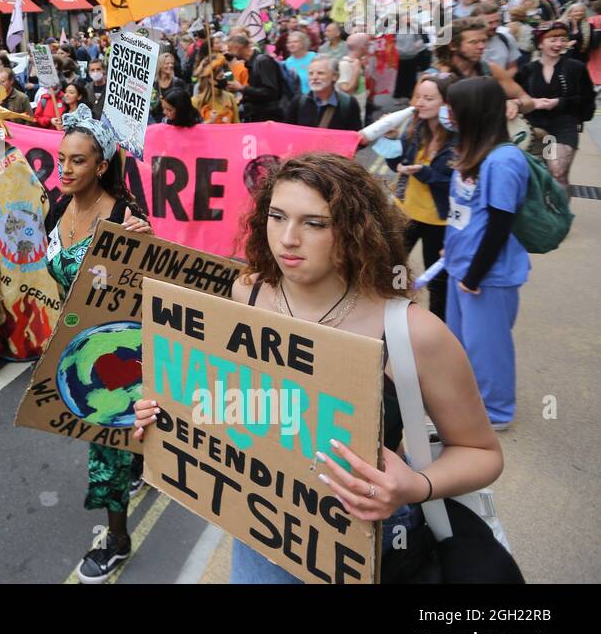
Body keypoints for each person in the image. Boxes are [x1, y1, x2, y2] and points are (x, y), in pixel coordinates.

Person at [133, 151, 504, 583]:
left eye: (315, 223)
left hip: (369, 542)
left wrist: (413, 486)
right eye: (276, 216)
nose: (288, 238)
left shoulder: (413, 333)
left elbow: (482, 453)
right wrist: (173, 413)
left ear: (354, 229)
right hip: (259, 533)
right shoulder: (248, 293)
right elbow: (241, 404)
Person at [41, 105, 153, 583]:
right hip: (76, 342)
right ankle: (139, 459)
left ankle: (117, 542)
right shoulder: (61, 203)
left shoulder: (125, 218)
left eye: (78, 161)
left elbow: (153, 284)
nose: (64, 169)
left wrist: (149, 246)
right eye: (61, 158)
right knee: (121, 443)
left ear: (102, 165)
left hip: (119, 354)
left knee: (103, 449)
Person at [443, 78, 532, 431]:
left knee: (487, 349)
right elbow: (465, 212)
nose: (449, 114)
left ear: (473, 112)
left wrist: (474, 276)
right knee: (461, 345)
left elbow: (500, 224)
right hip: (460, 267)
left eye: (454, 107)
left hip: (486, 277)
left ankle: (496, 413)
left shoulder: (503, 161)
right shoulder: (472, 151)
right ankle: (466, 405)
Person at [385, 74, 456, 320]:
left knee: (437, 282)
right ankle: (393, 313)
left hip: (441, 221)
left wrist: (427, 174)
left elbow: (459, 184)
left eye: (429, 98)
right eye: (418, 97)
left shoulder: (460, 138)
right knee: (391, 265)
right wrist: (390, 140)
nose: (421, 103)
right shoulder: (414, 129)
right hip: (406, 211)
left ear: (446, 103)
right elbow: (396, 163)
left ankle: (438, 329)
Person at [515, 21, 593, 191]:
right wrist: (528, 103)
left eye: (563, 39)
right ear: (540, 43)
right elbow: (516, 97)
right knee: (532, 177)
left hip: (564, 124)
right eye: (553, 39)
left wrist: (560, 102)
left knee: (558, 172)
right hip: (532, 125)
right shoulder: (527, 69)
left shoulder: (575, 67)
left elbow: (587, 98)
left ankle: (561, 216)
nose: (558, 44)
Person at [227, 30, 289, 122]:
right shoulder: (252, 64)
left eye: (229, 49)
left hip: (270, 119)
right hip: (260, 117)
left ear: (237, 47)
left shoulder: (262, 62)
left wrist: (242, 88)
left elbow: (271, 92)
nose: (228, 53)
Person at [288, 56, 362, 130]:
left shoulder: (347, 103)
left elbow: (354, 136)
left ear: (335, 76)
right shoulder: (299, 102)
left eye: (320, 73)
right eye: (311, 73)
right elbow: (288, 132)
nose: (314, 77)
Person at [192, 55, 241, 124]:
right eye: (221, 76)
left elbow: (237, 123)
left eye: (224, 76)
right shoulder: (196, 101)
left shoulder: (230, 97)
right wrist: (209, 122)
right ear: (211, 80)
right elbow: (194, 129)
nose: (224, 79)